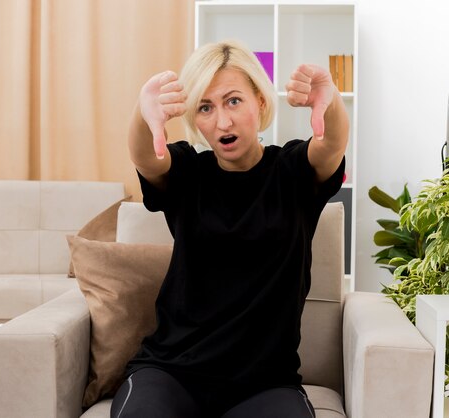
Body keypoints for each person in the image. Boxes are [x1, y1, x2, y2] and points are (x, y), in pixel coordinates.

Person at [111, 39, 349, 418]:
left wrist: (332, 102)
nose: (222, 121)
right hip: (171, 372)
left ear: (259, 99)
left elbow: (330, 145)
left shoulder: (292, 171)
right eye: (205, 107)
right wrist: (143, 116)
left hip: (265, 383)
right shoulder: (188, 171)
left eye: (233, 101)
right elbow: (147, 158)